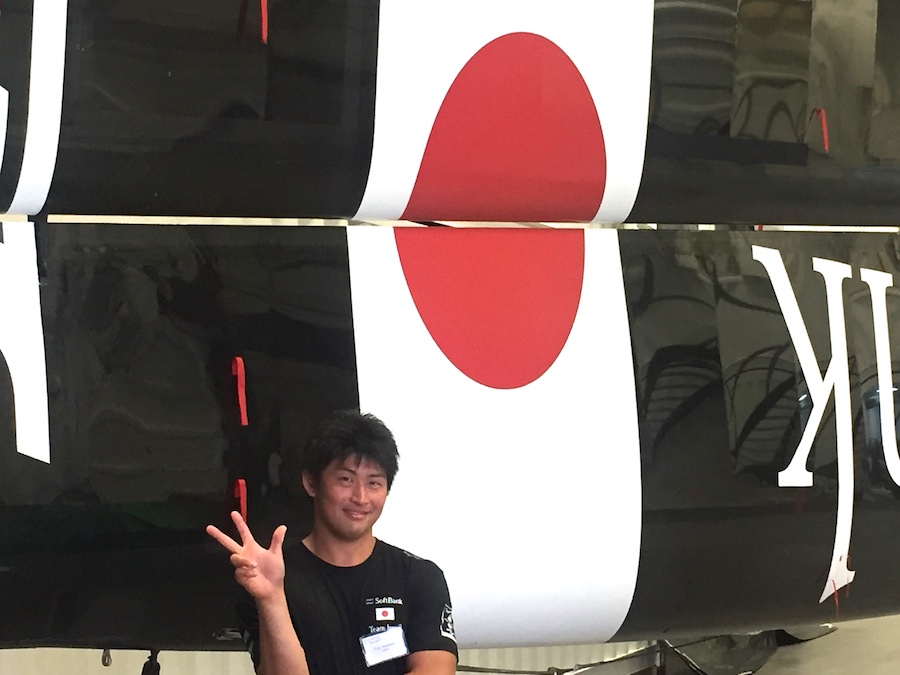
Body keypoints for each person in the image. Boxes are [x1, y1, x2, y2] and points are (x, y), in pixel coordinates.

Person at [207, 410, 458, 675]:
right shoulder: (269, 581)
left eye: (374, 483)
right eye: (346, 480)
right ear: (311, 482)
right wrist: (271, 599)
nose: (360, 497)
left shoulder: (419, 577)